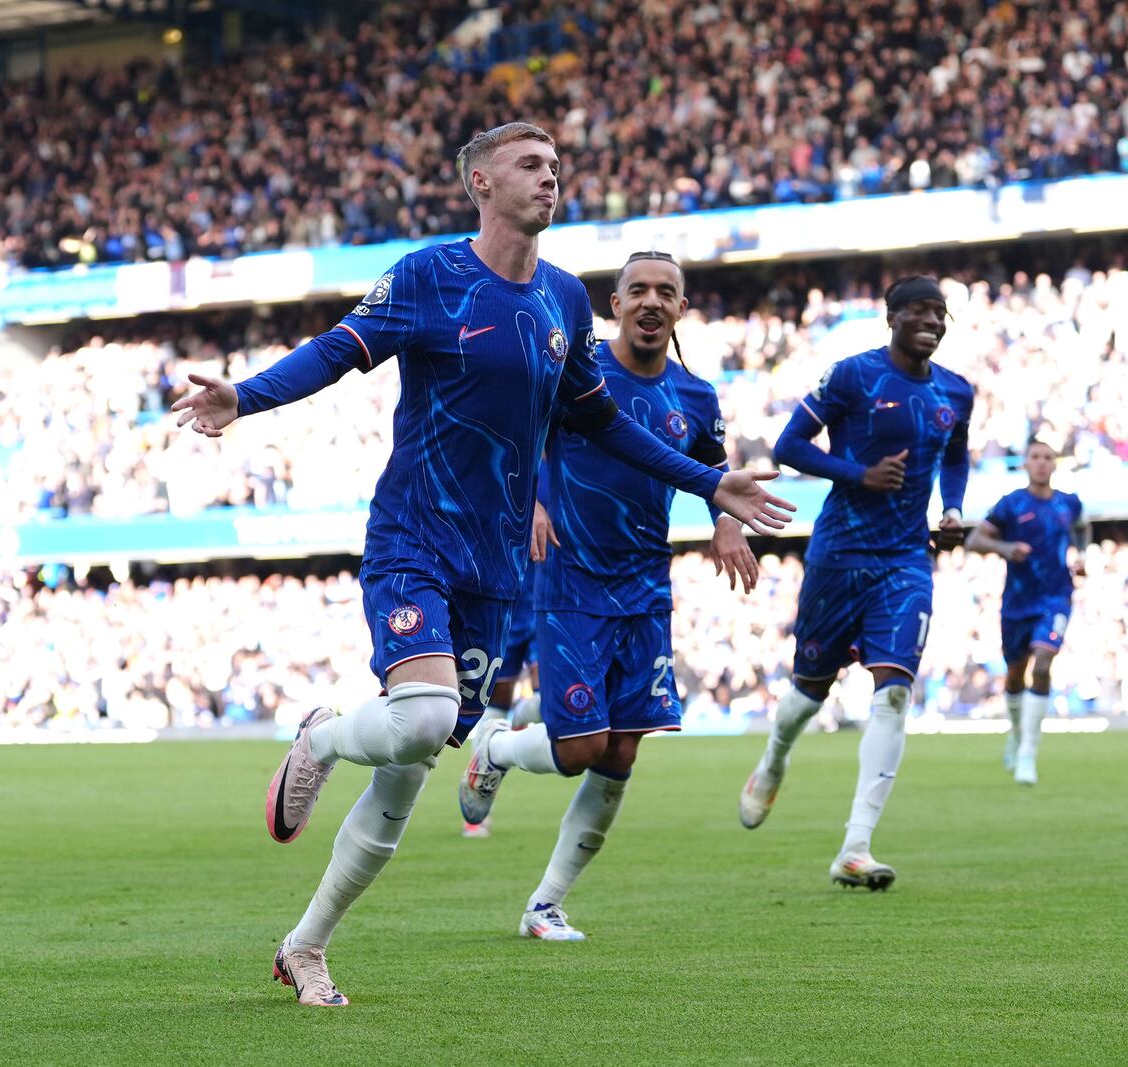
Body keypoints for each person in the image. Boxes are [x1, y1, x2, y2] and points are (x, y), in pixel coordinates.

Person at [171, 122, 794, 1006]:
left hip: (497, 571)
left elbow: (600, 418)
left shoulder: (567, 301)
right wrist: (248, 395)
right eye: (531, 165)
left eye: (555, 166)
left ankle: (306, 946)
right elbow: (339, 351)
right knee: (423, 720)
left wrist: (708, 481)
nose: (551, 178)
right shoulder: (431, 276)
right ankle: (318, 735)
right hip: (415, 538)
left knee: (409, 772)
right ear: (479, 180)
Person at [457, 250, 760, 940]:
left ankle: (546, 904)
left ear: (682, 309)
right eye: (639, 290)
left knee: (623, 753)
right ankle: (498, 749)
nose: (652, 302)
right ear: (615, 304)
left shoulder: (696, 397)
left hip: (647, 586)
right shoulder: (579, 375)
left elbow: (714, 471)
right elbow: (522, 436)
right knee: (581, 749)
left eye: (667, 292)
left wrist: (724, 523)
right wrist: (533, 500)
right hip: (571, 580)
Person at [737, 275, 973, 891]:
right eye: (919, 311)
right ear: (891, 317)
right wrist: (858, 474)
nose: (931, 321)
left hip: (905, 559)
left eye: (939, 313)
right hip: (839, 555)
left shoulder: (956, 391)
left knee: (895, 691)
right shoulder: (852, 376)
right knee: (808, 693)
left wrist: (951, 508)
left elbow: (956, 452)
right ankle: (775, 756)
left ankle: (856, 846)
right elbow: (791, 446)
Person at [964, 436, 1086, 784]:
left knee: (1044, 662)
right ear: (1026, 463)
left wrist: (1081, 555)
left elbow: (1082, 529)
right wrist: (1005, 547)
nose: (1042, 462)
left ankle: (1028, 752)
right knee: (1015, 674)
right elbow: (974, 540)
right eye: (1036, 456)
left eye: (1048, 457)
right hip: (1017, 602)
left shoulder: (1069, 504)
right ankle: (1017, 735)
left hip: (1056, 597)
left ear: (1055, 463)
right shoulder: (1011, 505)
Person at [461, 567, 542, 839]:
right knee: (495, 704)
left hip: (549, 605)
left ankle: (522, 714)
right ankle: (479, 795)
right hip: (506, 605)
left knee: (549, 698)